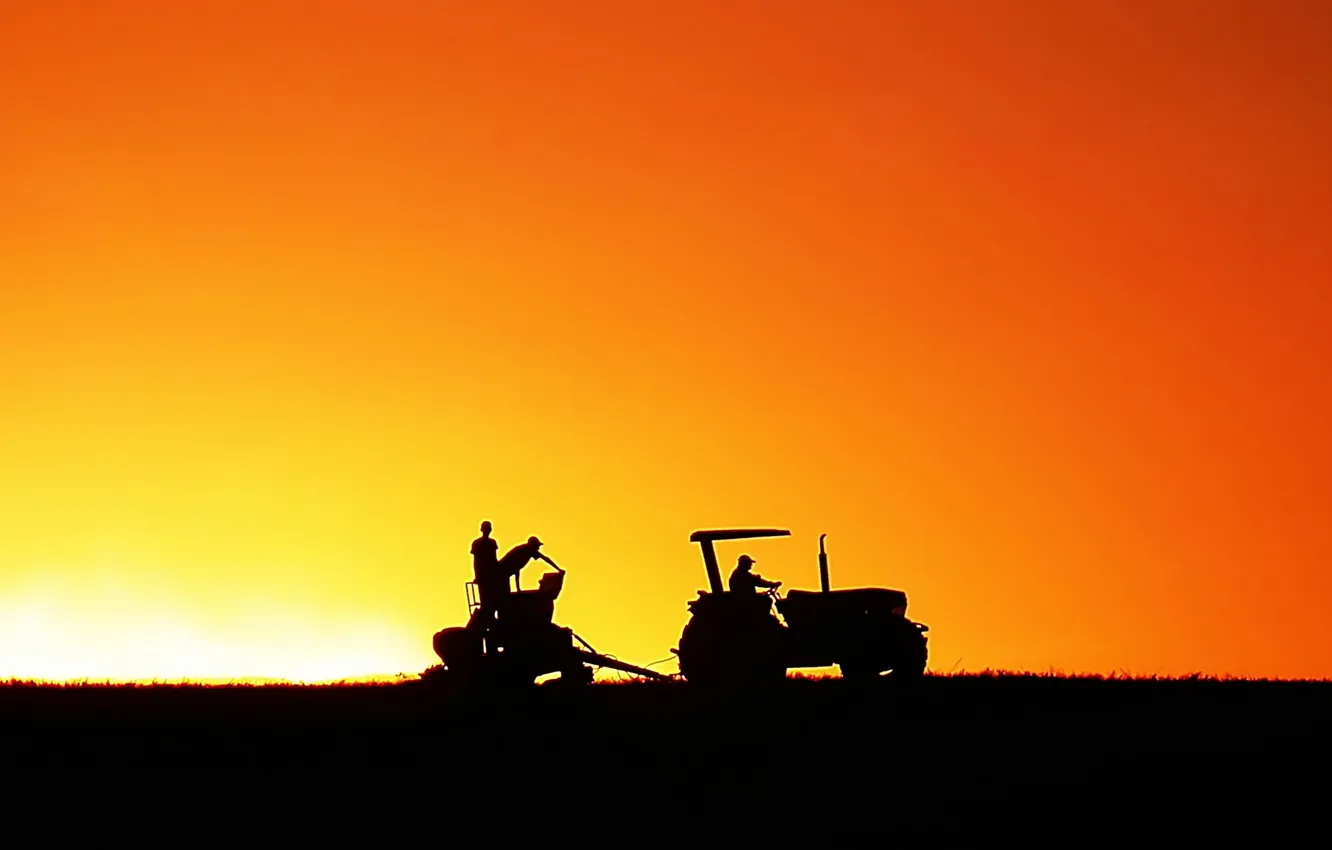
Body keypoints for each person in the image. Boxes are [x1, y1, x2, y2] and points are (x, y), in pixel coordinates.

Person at [466, 521, 506, 634]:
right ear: (482, 530)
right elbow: (476, 562)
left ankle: (495, 624)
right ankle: (489, 625)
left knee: (496, 602)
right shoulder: (477, 544)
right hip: (484, 578)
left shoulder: (492, 543)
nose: (488, 530)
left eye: (489, 528)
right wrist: (478, 576)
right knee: (486, 604)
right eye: (486, 528)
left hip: (493, 577)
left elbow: (494, 559)